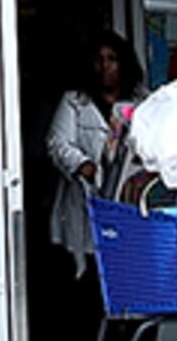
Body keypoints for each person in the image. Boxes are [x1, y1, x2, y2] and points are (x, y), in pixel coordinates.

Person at [44, 30, 144, 273]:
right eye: (99, 60)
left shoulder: (142, 103)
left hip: (129, 199)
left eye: (112, 59)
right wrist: (83, 165)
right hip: (86, 199)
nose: (105, 66)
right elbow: (58, 143)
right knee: (91, 271)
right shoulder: (75, 101)